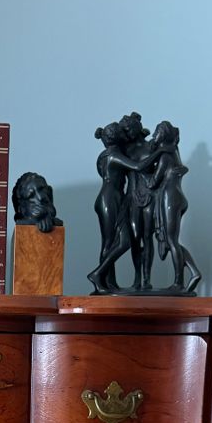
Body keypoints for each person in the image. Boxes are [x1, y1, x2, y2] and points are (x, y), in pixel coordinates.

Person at [87, 118, 161, 293]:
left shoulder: (104, 156)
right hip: (111, 198)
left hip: (112, 197)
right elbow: (139, 166)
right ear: (116, 137)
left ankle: (108, 283)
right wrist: (161, 151)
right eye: (122, 132)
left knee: (113, 241)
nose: (125, 134)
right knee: (117, 242)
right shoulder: (114, 155)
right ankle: (99, 277)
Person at [148, 121, 201, 292]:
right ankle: (194, 272)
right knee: (174, 241)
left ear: (162, 135)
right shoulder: (173, 152)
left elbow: (153, 182)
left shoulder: (165, 157)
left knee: (172, 241)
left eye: (156, 132)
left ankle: (179, 282)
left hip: (170, 198)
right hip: (176, 196)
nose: (153, 136)